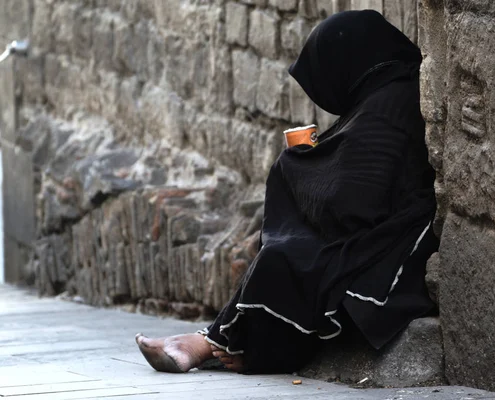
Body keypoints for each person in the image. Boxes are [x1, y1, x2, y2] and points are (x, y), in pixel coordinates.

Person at [135, 9, 438, 375]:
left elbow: (352, 201)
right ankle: (207, 343)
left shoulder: (388, 104)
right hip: (378, 229)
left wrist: (295, 165)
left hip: (389, 242)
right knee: (284, 255)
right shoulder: (383, 94)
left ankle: (210, 345)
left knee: (287, 259)